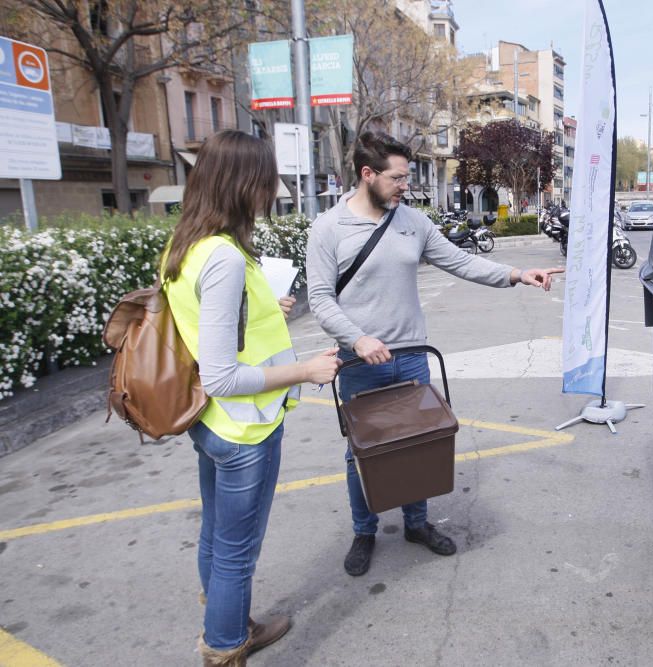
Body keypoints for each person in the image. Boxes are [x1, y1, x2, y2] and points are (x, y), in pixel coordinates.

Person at [306, 131, 562, 577]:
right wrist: (358, 339)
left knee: (417, 444)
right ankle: (364, 530)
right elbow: (321, 299)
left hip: (410, 358)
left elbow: (461, 261)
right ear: (367, 175)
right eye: (398, 177)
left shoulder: (411, 222)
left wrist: (518, 273)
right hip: (358, 364)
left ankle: (416, 524)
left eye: (407, 177)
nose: (406, 185)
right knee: (360, 453)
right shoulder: (328, 229)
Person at [161, 130, 341, 667]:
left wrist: (268, 308)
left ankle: (225, 618)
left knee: (217, 536)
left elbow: (207, 326)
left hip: (212, 425)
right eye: (266, 180)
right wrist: (305, 370)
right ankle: (224, 647)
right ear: (243, 184)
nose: (272, 191)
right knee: (237, 551)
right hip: (244, 428)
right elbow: (220, 375)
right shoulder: (224, 257)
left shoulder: (185, 244)